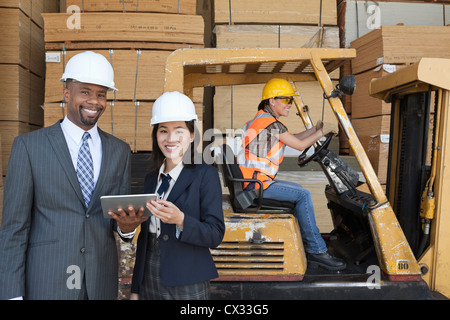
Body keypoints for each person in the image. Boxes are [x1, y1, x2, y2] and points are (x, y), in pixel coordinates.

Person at [0, 51, 147, 300]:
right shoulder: (29, 147)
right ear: (66, 93)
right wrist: (12, 295)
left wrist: (126, 229)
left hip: (99, 284)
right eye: (85, 92)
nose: (94, 101)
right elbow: (14, 228)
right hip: (48, 282)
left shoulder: (119, 151)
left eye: (101, 94)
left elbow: (116, 219)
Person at [237, 78, 346, 271]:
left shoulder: (260, 120)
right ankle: (317, 251)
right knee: (303, 195)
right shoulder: (270, 124)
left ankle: (303, 243)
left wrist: (317, 128)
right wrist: (322, 133)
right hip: (258, 186)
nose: (289, 105)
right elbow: (299, 145)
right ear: (272, 101)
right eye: (286, 100)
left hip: (254, 183)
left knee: (298, 190)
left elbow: (294, 138)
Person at [130, 91, 225, 300]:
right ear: (156, 135)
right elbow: (144, 239)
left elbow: (215, 234)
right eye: (163, 131)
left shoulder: (205, 175)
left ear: (192, 135)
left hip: (187, 277)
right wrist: (136, 288)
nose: (170, 139)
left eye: (179, 131)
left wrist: (181, 220)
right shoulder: (151, 178)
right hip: (150, 275)